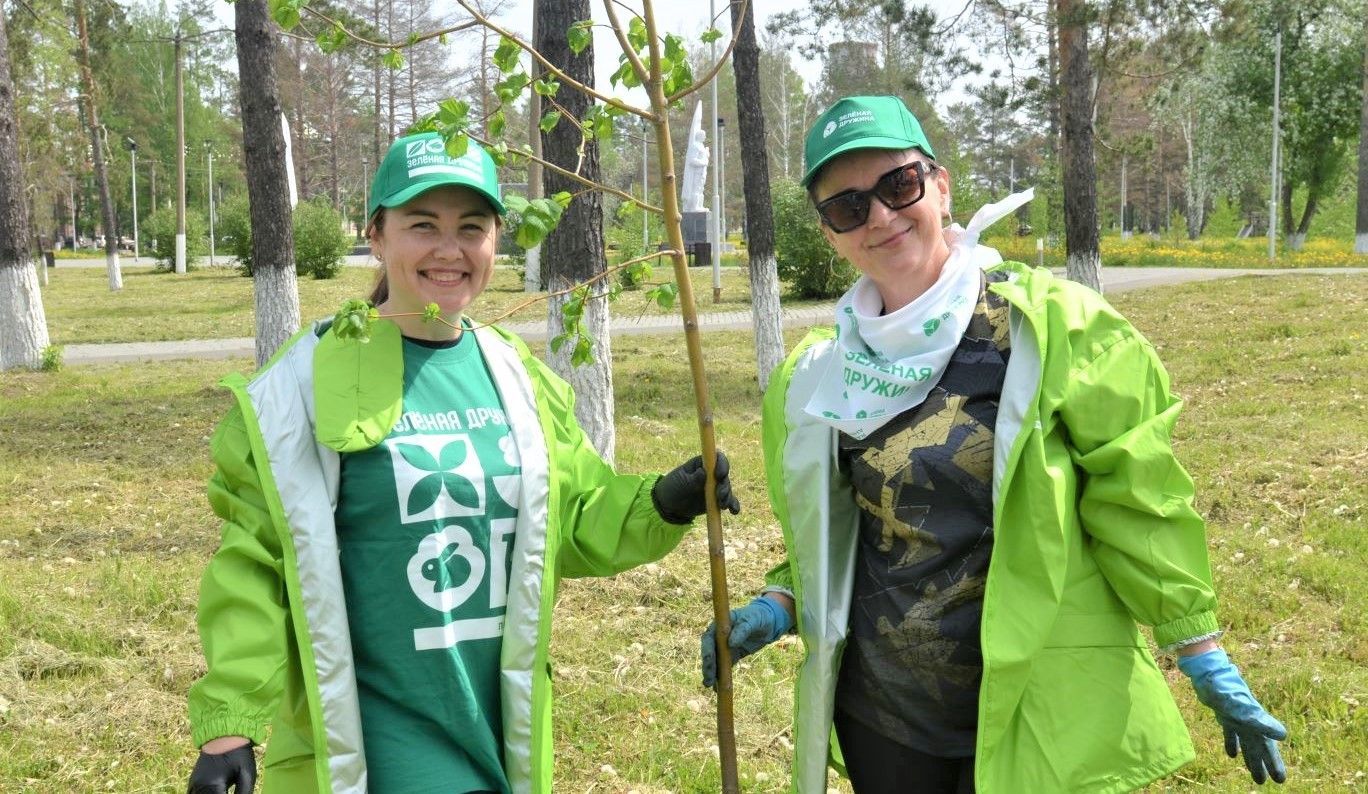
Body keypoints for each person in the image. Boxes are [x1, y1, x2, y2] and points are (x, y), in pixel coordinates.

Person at [700, 96, 1288, 792]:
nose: (881, 217)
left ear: (940, 186)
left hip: (1035, 708)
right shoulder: (820, 376)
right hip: (885, 721)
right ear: (831, 233)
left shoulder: (1050, 333)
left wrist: (1199, 647)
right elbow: (841, 529)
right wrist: (781, 602)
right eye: (848, 207)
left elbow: (1137, 501)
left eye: (898, 186)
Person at [185, 132, 740, 794]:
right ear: (376, 236)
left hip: (493, 731)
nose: (449, 249)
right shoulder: (303, 384)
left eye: (471, 228)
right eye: (423, 226)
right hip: (372, 743)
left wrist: (664, 501)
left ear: (495, 243)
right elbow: (256, 564)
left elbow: (573, 519)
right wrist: (230, 722)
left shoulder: (516, 376)